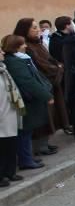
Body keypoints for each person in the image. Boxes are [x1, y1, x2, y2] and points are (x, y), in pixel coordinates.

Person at [13, 18, 65, 156]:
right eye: (34, 28)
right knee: (41, 117)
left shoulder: (38, 44)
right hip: (42, 87)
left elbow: (50, 59)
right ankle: (39, 146)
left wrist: (57, 66)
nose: (38, 30)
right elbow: (42, 66)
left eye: (37, 27)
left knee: (50, 116)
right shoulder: (27, 47)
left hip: (49, 85)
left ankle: (45, 143)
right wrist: (56, 69)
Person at [2, 35, 52, 171]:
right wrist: (46, 95)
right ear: (16, 46)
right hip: (26, 100)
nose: (25, 46)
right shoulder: (15, 62)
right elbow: (28, 81)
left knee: (27, 131)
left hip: (28, 99)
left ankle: (27, 156)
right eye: (22, 44)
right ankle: (25, 160)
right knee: (24, 131)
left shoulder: (21, 59)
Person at [0, 50, 25, 186]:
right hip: (2, 116)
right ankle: (1, 175)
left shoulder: (3, 70)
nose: (2, 52)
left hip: (10, 112)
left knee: (10, 144)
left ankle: (10, 172)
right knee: (2, 147)